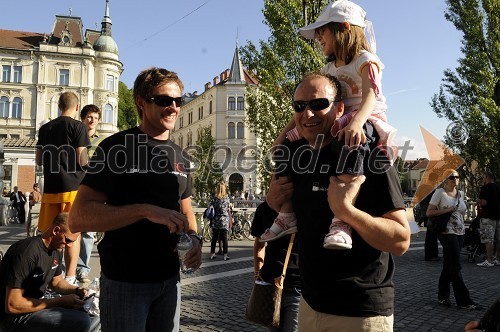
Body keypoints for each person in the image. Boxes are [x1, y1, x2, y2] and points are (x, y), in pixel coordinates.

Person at [267, 72, 410, 331]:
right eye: (299, 106)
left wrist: (346, 210)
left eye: (318, 104)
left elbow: (400, 240)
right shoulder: (298, 157)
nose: (307, 114)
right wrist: (273, 201)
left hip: (359, 312)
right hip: (310, 306)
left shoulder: (368, 153)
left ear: (340, 108)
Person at [68, 67, 202, 332]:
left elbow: (187, 212)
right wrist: (143, 210)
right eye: (164, 100)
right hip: (125, 282)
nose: (174, 107)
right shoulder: (117, 147)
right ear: (141, 102)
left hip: (169, 281)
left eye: (179, 101)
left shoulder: (180, 156)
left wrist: (195, 239)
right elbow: (78, 216)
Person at [260, 0, 397, 251]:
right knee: (287, 145)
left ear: (344, 27)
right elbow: (307, 104)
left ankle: (341, 220)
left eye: (323, 30)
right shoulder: (328, 68)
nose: (319, 37)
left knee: (355, 139)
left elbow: (370, 97)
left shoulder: (366, 60)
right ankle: (287, 212)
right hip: (339, 118)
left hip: (364, 117)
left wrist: (356, 122)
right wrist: (282, 136)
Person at [0, 212, 98, 332]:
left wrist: (77, 290)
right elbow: (12, 305)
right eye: (68, 240)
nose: (69, 245)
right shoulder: (27, 253)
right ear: (56, 230)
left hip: (35, 306)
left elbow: (56, 282)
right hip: (13, 318)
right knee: (82, 320)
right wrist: (59, 302)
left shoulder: (56, 248)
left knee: (96, 315)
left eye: (73, 241)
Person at [36, 91, 89, 286]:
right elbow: (82, 160)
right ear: (77, 107)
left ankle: (50, 276)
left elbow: (39, 160)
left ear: (59, 106)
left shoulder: (45, 129)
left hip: (50, 188)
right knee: (72, 234)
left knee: (51, 233)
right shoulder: (78, 127)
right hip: (73, 187)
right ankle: (70, 277)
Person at [426, 169, 482, 310]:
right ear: (445, 179)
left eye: (457, 177)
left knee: (449, 264)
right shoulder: (440, 193)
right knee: (456, 265)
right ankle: (464, 300)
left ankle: (442, 296)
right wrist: (447, 210)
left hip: (460, 232)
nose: (455, 179)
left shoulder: (460, 194)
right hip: (446, 231)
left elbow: (461, 212)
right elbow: (429, 212)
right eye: (452, 177)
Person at [251, 200, 301, 332]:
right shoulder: (304, 206)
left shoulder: (264, 207)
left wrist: (257, 273)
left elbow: (259, 245)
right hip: (289, 283)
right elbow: (259, 245)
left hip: (288, 284)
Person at [76, 104, 103, 284]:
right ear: (83, 118)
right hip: (74, 188)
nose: (92, 120)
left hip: (92, 191)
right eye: (89, 117)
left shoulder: (101, 142)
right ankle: (67, 268)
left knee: (88, 233)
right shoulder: (75, 138)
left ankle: (83, 269)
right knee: (70, 230)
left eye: (95, 118)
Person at [476, 169, 500, 267]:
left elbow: (484, 202)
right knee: (499, 239)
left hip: (488, 217)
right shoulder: (499, 187)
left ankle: (489, 260)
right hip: (499, 216)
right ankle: (498, 259)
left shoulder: (485, 188)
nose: (482, 180)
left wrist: (478, 200)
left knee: (488, 239)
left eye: (483, 177)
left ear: (486, 177)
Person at [210, 182, 231, 261]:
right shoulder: (226, 198)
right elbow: (227, 208)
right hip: (224, 220)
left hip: (216, 219)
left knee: (214, 237)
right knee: (225, 238)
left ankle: (212, 254)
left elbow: (211, 207)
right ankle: (225, 255)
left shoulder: (214, 198)